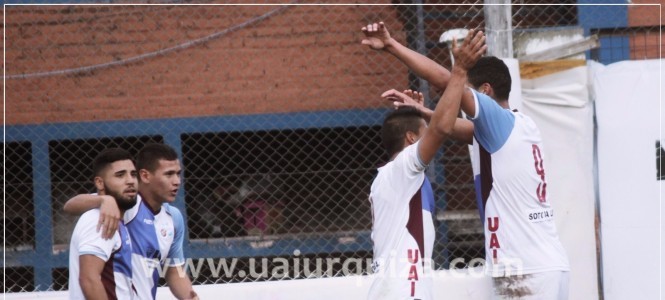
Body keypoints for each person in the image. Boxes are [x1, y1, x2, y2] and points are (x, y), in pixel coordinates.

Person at [363, 22, 570, 299]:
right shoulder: (518, 127)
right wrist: (423, 111)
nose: (461, 97)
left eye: (467, 92)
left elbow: (446, 82)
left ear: (484, 92)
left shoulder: (497, 121)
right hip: (544, 264)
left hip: (527, 270)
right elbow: (452, 128)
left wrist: (392, 46)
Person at [366, 28, 486, 300]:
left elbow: (438, 128)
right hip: (403, 292)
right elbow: (442, 128)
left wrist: (421, 113)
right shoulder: (404, 167)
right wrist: (460, 71)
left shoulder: (394, 178)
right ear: (410, 139)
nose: (429, 136)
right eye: (423, 132)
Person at [64, 143, 198, 300]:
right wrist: (103, 200)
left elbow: (174, 270)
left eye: (178, 174)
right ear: (146, 176)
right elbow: (70, 205)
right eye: (169, 174)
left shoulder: (173, 218)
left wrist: (192, 297)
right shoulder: (123, 206)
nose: (177, 181)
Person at [68, 148, 138, 300]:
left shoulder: (117, 214)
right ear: (100, 183)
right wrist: (104, 200)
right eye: (120, 175)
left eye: (133, 174)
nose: (130, 180)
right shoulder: (98, 220)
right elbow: (89, 280)